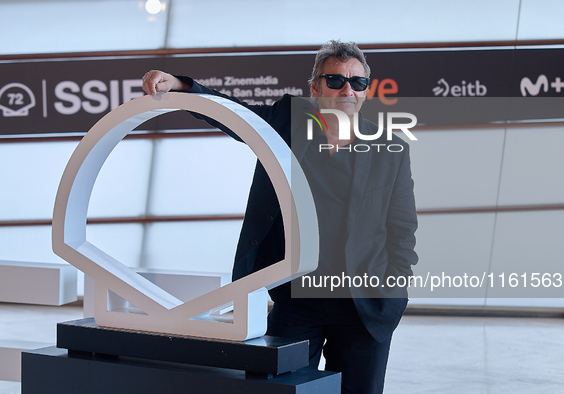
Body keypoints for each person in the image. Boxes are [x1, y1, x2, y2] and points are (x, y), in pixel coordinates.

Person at [142, 40, 418, 394]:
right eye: (335, 81)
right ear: (315, 87)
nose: (347, 90)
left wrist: (393, 290)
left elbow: (402, 229)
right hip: (296, 300)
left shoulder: (388, 149)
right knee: (281, 389)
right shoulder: (287, 122)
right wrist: (181, 86)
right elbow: (233, 115)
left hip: (363, 304)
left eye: (358, 82)